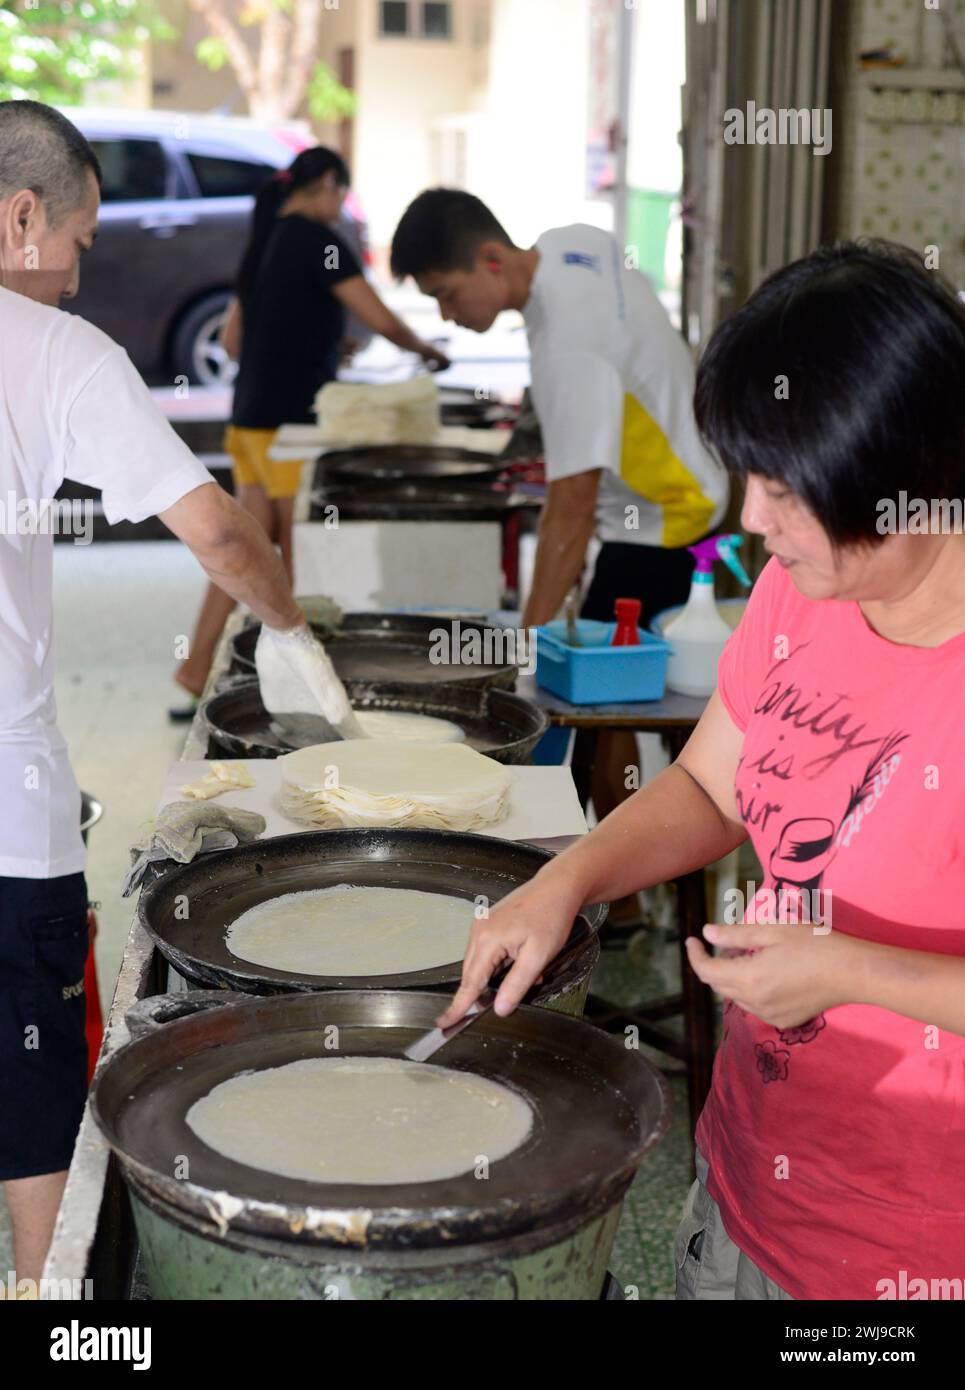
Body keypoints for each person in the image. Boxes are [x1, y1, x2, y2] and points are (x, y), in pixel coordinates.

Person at [436, 240, 965, 1300]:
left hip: (905, 1256)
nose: (751, 521)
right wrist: (565, 880)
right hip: (743, 1184)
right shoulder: (795, 591)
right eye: (748, 479)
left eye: (784, 489)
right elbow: (708, 785)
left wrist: (849, 970)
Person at [0, 100, 331, 1284]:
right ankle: (51, 1297)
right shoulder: (50, 351)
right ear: (24, 215)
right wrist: (290, 633)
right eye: (82, 241)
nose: (81, 272)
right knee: (30, 1085)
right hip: (6, 812)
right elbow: (224, 539)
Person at [390, 190, 729, 919]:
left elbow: (570, 505)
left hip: (662, 520)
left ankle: (618, 902)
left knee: (585, 707)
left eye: (446, 295)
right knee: (606, 699)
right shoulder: (570, 239)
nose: (447, 316)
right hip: (672, 492)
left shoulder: (564, 345)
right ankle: (633, 901)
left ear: (491, 260)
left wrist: (527, 641)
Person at [172, 148, 449, 711]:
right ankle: (299, 683)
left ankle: (197, 666)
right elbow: (378, 315)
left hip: (248, 421)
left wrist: (315, 343)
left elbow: (233, 343)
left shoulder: (264, 241)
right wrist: (427, 350)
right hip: (288, 427)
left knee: (245, 552)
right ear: (326, 183)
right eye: (339, 194)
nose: (339, 207)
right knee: (293, 560)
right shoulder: (320, 243)